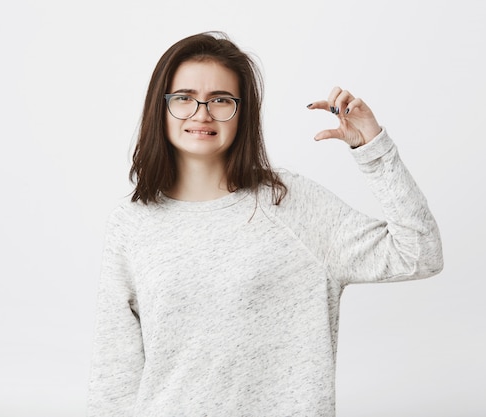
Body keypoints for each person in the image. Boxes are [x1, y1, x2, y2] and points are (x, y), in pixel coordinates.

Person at [86, 31, 444, 417]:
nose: (201, 113)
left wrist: (372, 148)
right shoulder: (132, 223)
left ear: (244, 113)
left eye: (221, 100)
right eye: (184, 98)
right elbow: (115, 375)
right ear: (161, 107)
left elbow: (419, 253)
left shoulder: (290, 203)